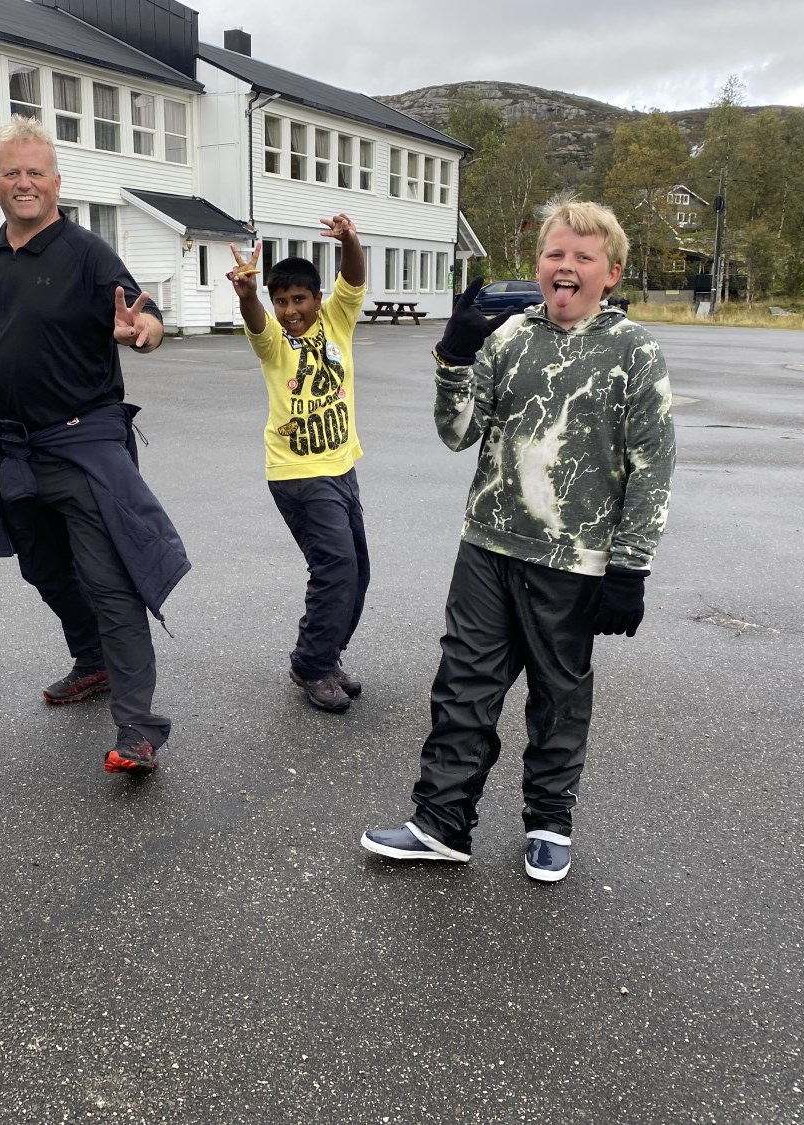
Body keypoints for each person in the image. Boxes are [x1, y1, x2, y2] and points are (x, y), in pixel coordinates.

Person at [361, 198, 675, 880]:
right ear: (538, 265)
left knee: (559, 696)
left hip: (572, 560)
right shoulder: (508, 339)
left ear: (611, 274)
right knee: (462, 686)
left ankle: (549, 822)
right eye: (554, 253)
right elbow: (457, 433)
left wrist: (630, 566)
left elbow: (653, 463)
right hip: (487, 546)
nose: (566, 265)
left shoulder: (634, 352)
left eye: (583, 257)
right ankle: (442, 822)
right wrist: (453, 359)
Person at [0, 116, 188, 777]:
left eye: (35, 171)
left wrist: (140, 332)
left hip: (84, 440)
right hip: (15, 447)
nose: (24, 182)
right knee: (42, 568)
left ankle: (139, 730)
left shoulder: (87, 253)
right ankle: (92, 660)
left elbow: (148, 318)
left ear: (56, 182)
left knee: (111, 582)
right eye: (11, 172)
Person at [228, 216, 369, 713]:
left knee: (357, 572)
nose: (290, 311)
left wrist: (350, 240)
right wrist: (249, 296)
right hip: (298, 475)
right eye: (281, 301)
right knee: (335, 568)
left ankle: (326, 655)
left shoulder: (337, 320)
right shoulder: (273, 341)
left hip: (342, 467)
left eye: (299, 299)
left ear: (316, 298)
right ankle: (311, 664)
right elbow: (256, 320)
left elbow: (353, 277)